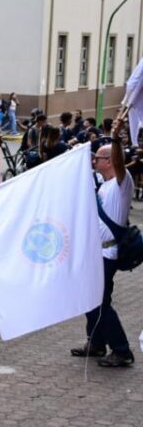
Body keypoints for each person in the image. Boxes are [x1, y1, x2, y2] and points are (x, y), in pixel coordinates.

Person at [71, 119, 135, 368]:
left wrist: (116, 137)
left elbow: (120, 163)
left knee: (100, 302)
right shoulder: (105, 185)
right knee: (90, 298)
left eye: (98, 158)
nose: (94, 161)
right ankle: (96, 342)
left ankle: (121, 349)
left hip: (107, 255)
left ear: (109, 161)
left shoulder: (122, 181)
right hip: (95, 252)